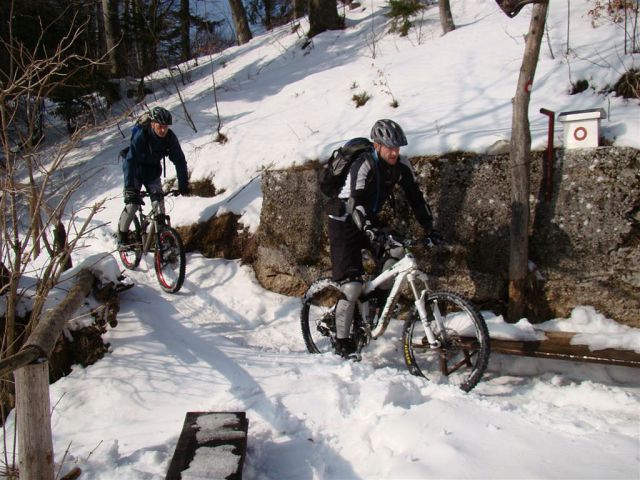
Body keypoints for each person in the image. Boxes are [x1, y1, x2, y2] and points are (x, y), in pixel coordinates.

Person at [327, 119, 440, 358]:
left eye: (398, 147)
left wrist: (430, 228)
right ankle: (342, 341)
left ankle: (373, 302)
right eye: (390, 147)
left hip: (368, 217)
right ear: (377, 145)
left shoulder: (401, 165)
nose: (395, 152)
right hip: (343, 220)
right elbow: (354, 203)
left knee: (396, 254)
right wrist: (368, 229)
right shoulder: (364, 163)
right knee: (352, 284)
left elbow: (416, 199)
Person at [117, 106, 189, 250]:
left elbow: (179, 160)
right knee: (132, 206)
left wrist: (183, 184)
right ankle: (122, 238)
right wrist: (130, 188)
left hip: (152, 173)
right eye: (160, 126)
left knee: (159, 207)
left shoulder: (169, 138)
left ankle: (162, 240)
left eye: (166, 127)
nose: (163, 130)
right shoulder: (142, 135)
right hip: (135, 172)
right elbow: (130, 161)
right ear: (152, 124)